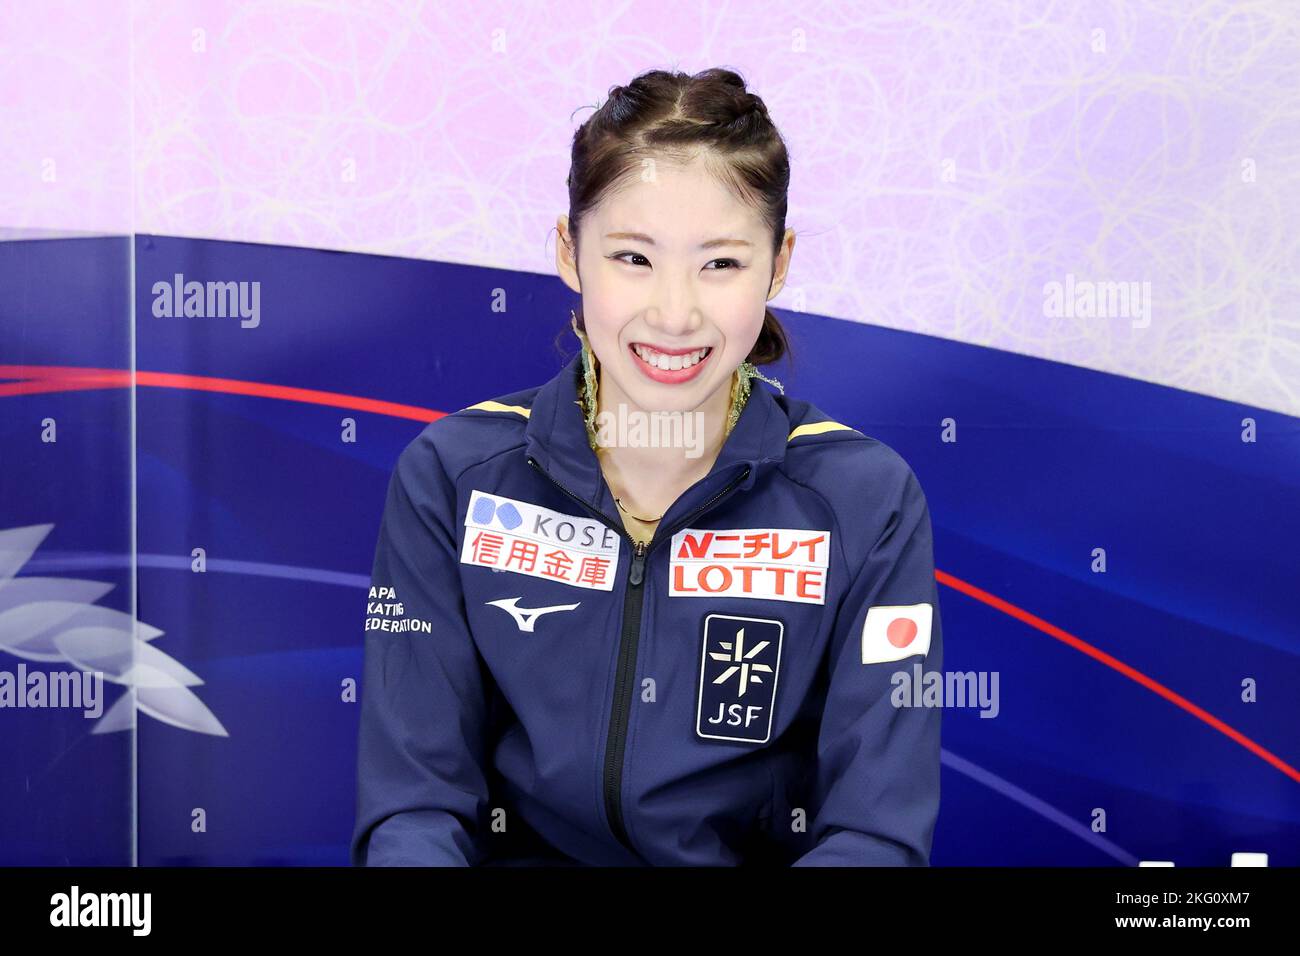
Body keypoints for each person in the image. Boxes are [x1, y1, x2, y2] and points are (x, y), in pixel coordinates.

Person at [350, 67, 943, 866]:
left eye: (721, 264)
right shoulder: (455, 476)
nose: (673, 313)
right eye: (633, 258)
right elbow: (413, 807)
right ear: (569, 251)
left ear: (780, 263)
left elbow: (875, 834)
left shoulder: (864, 498)